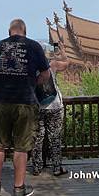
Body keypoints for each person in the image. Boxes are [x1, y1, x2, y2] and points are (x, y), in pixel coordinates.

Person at [0, 19, 50, 196]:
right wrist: (32, 83)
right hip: (26, 102)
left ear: (9, 31)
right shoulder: (35, 47)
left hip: (1, 101)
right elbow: (46, 74)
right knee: (21, 147)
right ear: (24, 32)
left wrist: (2, 80)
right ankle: (19, 188)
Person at [31, 43, 69, 177]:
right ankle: (57, 167)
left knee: (38, 138)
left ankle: (37, 167)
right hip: (55, 106)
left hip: (37, 108)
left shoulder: (30, 68)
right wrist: (62, 50)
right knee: (55, 137)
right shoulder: (52, 64)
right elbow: (66, 63)